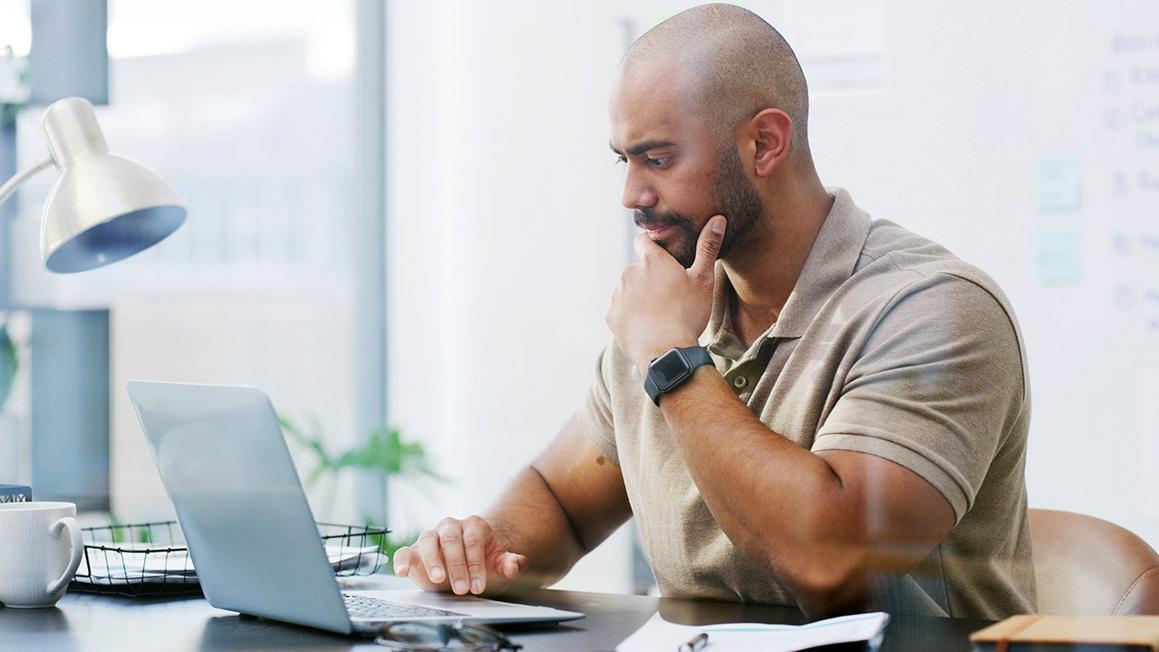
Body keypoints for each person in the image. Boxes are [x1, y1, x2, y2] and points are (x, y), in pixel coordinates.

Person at [393, 3, 1035, 619]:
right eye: (625, 160)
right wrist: (476, 550)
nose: (631, 195)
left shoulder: (934, 310)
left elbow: (832, 564)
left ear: (764, 144)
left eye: (659, 158)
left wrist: (672, 360)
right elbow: (560, 501)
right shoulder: (669, 309)